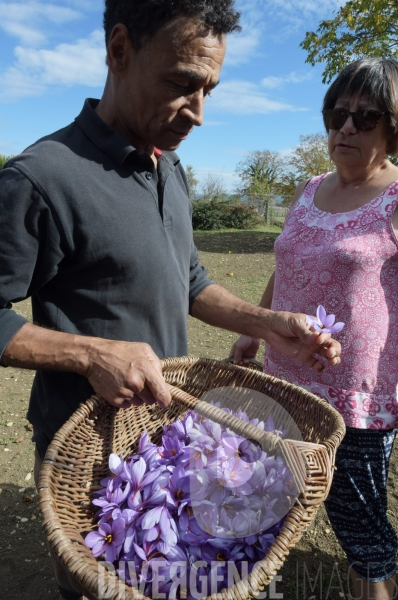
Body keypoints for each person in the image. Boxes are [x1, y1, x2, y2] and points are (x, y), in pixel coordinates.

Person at [0, 1, 341, 599]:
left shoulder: (169, 167)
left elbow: (189, 281)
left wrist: (268, 324)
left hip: (166, 445)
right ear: (120, 51)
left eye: (209, 88)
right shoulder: (41, 179)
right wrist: (90, 354)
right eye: (183, 83)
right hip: (89, 453)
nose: (200, 112)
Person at [230, 57, 398, 600]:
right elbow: (287, 266)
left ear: (392, 126)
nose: (346, 126)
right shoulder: (306, 190)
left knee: (359, 528)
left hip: (356, 396)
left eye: (366, 116)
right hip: (285, 378)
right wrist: (254, 327)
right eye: (337, 113)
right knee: (286, 495)